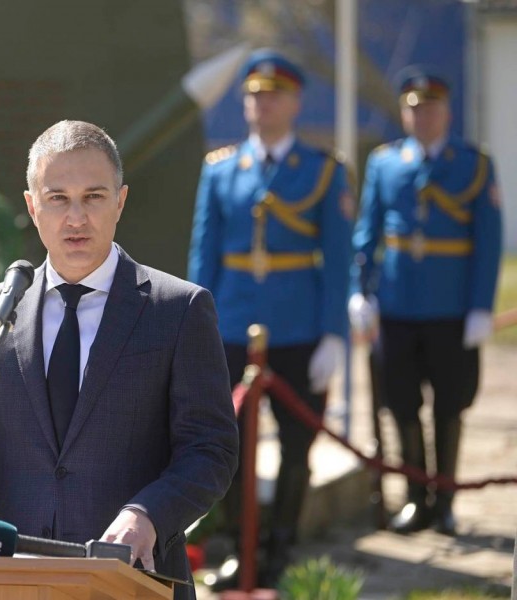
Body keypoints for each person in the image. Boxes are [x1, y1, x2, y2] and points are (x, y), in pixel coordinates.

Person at [0, 120, 238, 599]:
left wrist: (148, 515)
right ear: (32, 205)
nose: (76, 218)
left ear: (120, 201)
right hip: (12, 584)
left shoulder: (178, 309)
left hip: (134, 581)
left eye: (93, 197)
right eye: (58, 198)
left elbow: (210, 450)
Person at [187, 49, 352, 587]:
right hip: (231, 326)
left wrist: (333, 333)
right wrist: (197, 323)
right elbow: (203, 254)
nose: (262, 103)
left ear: (295, 102)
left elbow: (337, 258)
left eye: (273, 94)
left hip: (299, 329)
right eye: (254, 94)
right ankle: (241, 548)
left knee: (297, 448)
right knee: (227, 445)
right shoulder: (221, 170)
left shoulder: (323, 172)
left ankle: (282, 547)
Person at [349, 66, 502, 536]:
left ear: (446, 111)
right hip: (396, 306)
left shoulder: (473, 163)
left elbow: (488, 240)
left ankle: (447, 498)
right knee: (400, 402)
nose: (422, 116)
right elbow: (367, 232)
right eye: (414, 108)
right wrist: (359, 289)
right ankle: (417, 496)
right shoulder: (385, 163)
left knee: (450, 405)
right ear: (403, 112)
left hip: (452, 307)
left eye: (431, 107)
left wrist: (480, 306)